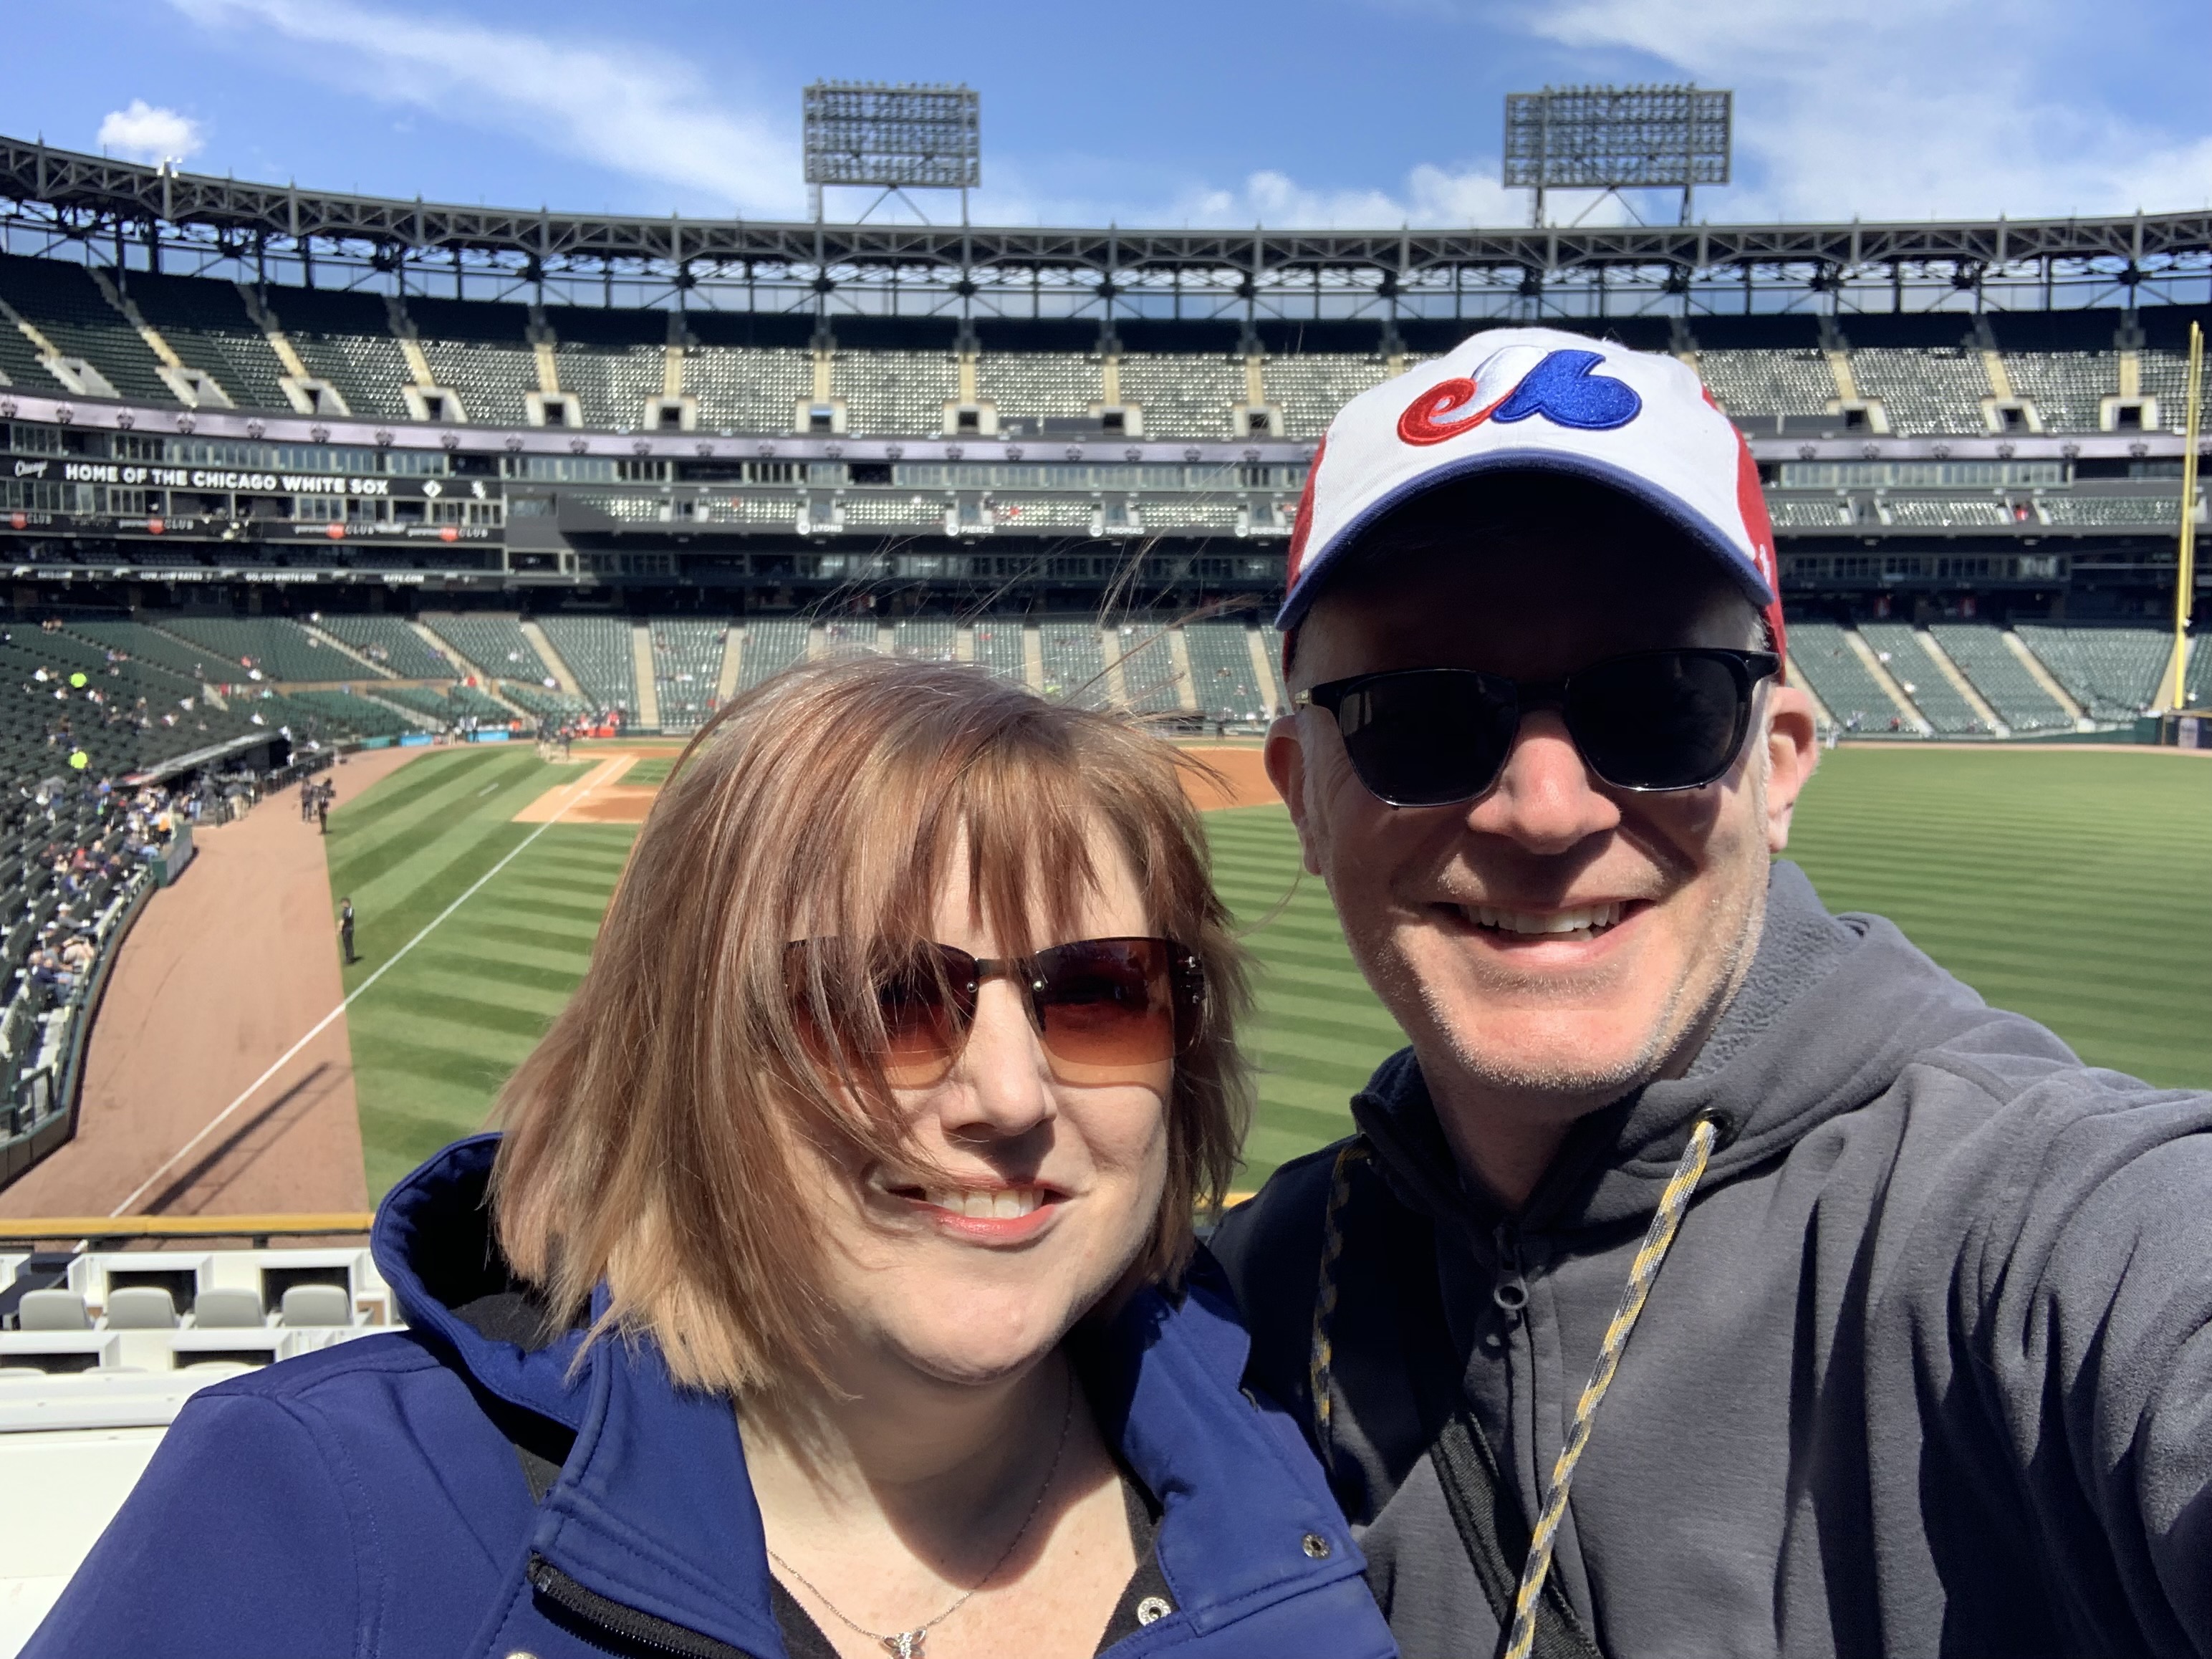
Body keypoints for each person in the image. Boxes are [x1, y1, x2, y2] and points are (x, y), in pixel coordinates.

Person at [29, 656, 1395, 1659]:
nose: (1006, 1091)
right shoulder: (313, 1518)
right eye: (882, 999)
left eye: (1099, 992)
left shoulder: (1312, 1482)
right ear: (683, 1057)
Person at [1211, 326, 2212, 1658]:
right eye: (1415, 714)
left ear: (1780, 761)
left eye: (1660, 699)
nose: (1544, 808)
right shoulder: (1244, 1297)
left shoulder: (2028, 1223)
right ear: (1301, 796)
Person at [337, 895, 356, 966]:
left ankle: (349, 959)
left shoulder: (348, 910)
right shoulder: (348, 910)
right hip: (348, 929)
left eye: (343, 903)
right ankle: (349, 958)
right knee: (347, 944)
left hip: (347, 930)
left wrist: (339, 930)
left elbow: (343, 920)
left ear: (346, 903)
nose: (342, 905)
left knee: (348, 944)